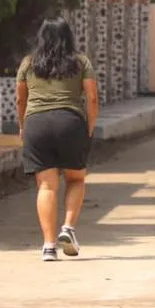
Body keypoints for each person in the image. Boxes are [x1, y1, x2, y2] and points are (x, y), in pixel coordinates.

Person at [16, 18, 99, 262]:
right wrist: (89, 128)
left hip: (36, 125)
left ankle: (49, 246)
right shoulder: (81, 62)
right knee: (75, 179)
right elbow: (92, 98)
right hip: (70, 123)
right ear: (69, 37)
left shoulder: (28, 63)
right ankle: (68, 229)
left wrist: (23, 126)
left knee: (46, 186)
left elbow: (21, 100)